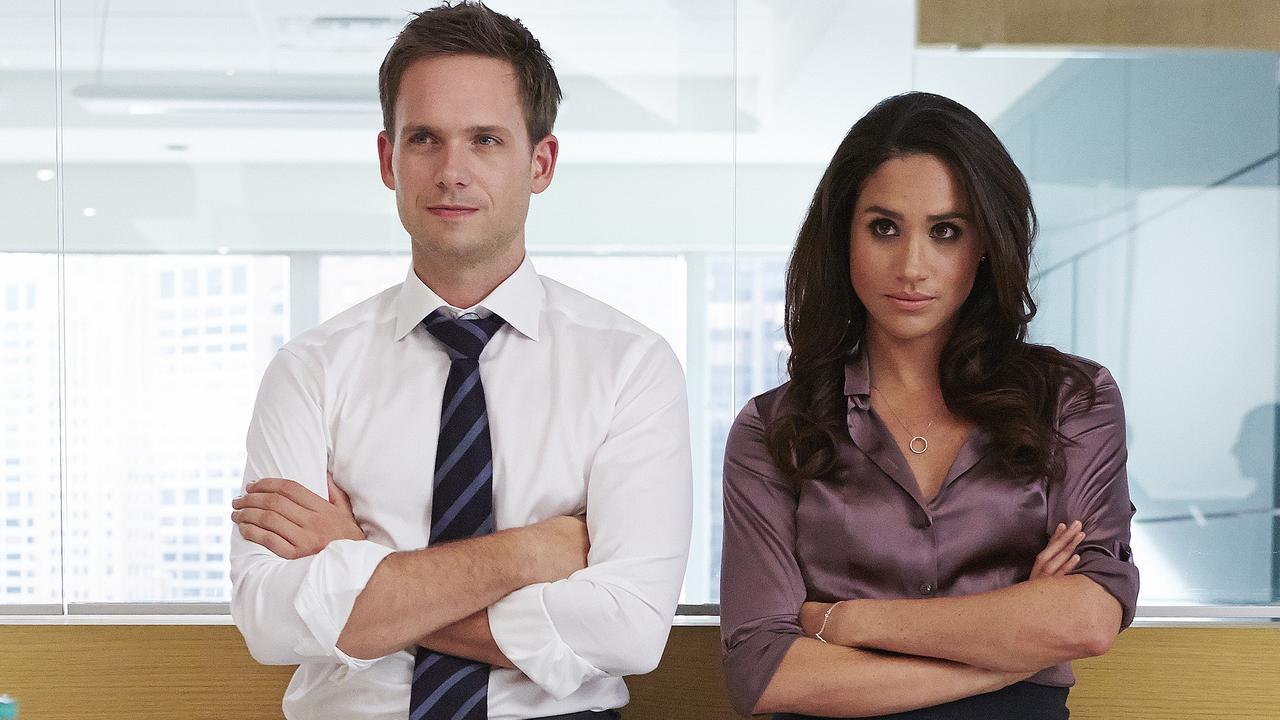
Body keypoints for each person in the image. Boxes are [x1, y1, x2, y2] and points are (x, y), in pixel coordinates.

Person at [228, 4, 693, 719]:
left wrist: (361, 565)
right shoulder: (309, 371)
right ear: (388, 160)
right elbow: (270, 619)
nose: (452, 171)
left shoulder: (630, 367)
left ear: (540, 163)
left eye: (484, 140)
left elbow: (630, 631)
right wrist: (528, 556)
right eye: (425, 140)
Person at [719, 92, 1138, 719]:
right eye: (884, 228)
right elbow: (765, 674)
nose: (912, 266)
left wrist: (849, 621)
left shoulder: (1073, 401)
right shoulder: (774, 429)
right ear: (844, 238)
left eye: (945, 232)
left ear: (986, 244)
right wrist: (1019, 651)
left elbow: (1089, 617)